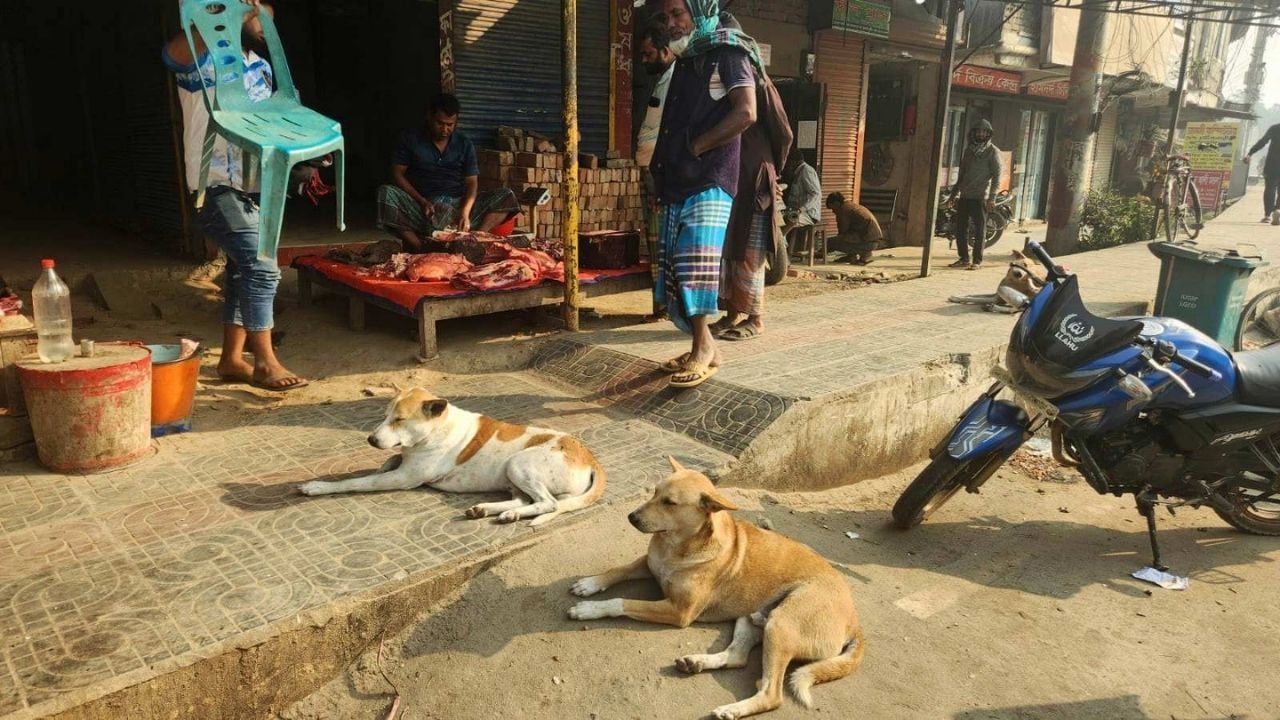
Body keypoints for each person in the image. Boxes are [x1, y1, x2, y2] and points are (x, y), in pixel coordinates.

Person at [163, 0, 308, 392]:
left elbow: (267, 128)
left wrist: (303, 160)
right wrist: (224, 14)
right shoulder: (201, 60)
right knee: (262, 267)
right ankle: (264, 361)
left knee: (242, 270)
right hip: (213, 184)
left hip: (253, 186)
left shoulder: (260, 68)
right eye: (260, 21)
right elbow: (171, 55)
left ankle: (230, 360)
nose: (266, 28)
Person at [652, 0, 758, 388]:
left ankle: (703, 350)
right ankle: (706, 345)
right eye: (667, 17)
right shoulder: (687, 60)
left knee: (693, 258)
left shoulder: (729, 52)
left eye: (678, 14)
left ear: (699, 12)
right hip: (680, 176)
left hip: (711, 175)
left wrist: (697, 147)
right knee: (677, 265)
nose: (672, 23)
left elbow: (746, 113)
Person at [712, 11, 793, 342]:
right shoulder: (721, 81)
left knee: (752, 251)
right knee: (730, 248)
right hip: (731, 176)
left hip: (756, 178)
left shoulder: (759, 82)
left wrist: (772, 170)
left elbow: (784, 134)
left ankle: (755, 318)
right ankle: (731, 314)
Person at [376, 94, 521, 251]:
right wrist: (421, 200)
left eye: (450, 125)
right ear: (429, 116)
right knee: (385, 194)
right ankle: (420, 247)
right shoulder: (410, 139)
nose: (445, 129)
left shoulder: (464, 143)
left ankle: (474, 240)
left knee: (507, 196)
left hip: (457, 206)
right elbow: (397, 173)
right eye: (440, 123)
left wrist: (465, 212)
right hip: (422, 207)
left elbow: (472, 182)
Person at [637, 23, 676, 320]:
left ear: (665, 51)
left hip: (660, 171)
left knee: (662, 240)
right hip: (652, 169)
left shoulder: (677, 78)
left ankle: (666, 306)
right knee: (656, 241)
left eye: (648, 54)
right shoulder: (663, 79)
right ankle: (661, 304)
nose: (644, 60)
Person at [950, 118, 1002, 270]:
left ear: (988, 134)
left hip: (981, 196)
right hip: (965, 195)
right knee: (960, 228)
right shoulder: (969, 151)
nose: (981, 134)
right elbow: (962, 174)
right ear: (973, 133)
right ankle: (963, 258)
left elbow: (997, 177)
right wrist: (953, 195)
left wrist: (992, 197)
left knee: (980, 230)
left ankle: (977, 260)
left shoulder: (992, 152)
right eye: (978, 131)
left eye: (984, 132)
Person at [825, 193, 883, 265]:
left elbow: (842, 232)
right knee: (848, 237)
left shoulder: (843, 210)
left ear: (836, 203)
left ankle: (864, 253)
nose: (833, 211)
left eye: (833, 208)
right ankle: (852, 256)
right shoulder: (850, 206)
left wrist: (824, 249)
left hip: (868, 242)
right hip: (873, 240)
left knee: (831, 242)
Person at [781, 149, 822, 239]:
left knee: (790, 219)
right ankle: (782, 243)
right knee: (779, 218)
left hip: (809, 214)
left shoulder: (807, 171)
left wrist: (800, 210)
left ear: (794, 161)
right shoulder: (797, 172)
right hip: (795, 210)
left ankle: (780, 244)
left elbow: (815, 194)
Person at [1245, 123, 1280, 225]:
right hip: (1273, 165)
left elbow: (1263, 142)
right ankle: (1278, 211)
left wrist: (1250, 153)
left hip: (1272, 164)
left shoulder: (1275, 128)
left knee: (1270, 188)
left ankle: (1267, 216)